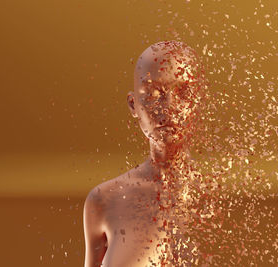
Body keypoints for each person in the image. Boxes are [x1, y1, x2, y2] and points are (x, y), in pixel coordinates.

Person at [83, 40, 205, 267]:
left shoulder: (230, 197)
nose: (168, 106)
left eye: (183, 92)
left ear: (196, 101)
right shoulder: (105, 201)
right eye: (153, 93)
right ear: (133, 105)